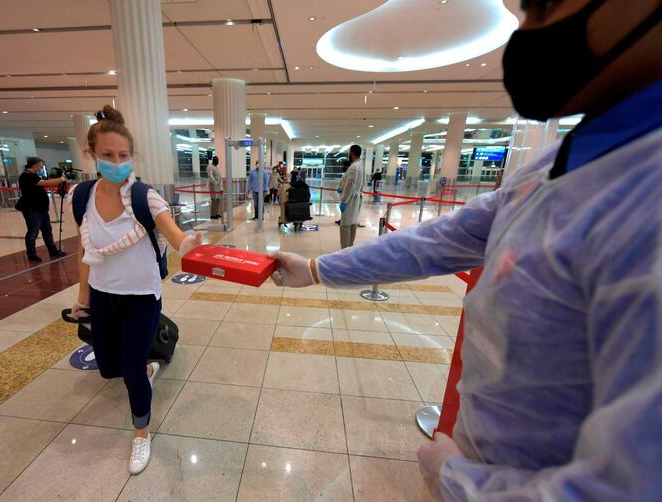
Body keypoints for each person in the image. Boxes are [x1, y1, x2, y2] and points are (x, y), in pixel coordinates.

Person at [269, 0, 662, 499]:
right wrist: (317, 268)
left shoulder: (647, 195)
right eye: (524, 11)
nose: (528, 31)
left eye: (546, 6)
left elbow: (634, 483)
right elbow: (438, 241)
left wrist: (461, 482)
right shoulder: (553, 165)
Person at [68, 105, 201, 474]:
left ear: (132, 156)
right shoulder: (81, 197)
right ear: (92, 154)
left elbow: (173, 235)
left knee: (129, 368)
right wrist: (83, 297)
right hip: (102, 294)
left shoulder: (146, 196)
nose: (116, 162)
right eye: (108, 155)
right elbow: (84, 250)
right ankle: (145, 370)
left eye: (123, 155)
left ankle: (141, 434)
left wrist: (187, 244)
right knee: (109, 368)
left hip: (141, 297)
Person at [16, 157, 67, 262]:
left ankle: (53, 251)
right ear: (34, 165)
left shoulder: (33, 175)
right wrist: (61, 179)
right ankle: (31, 254)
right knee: (33, 231)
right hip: (32, 209)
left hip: (41, 209)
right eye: (40, 166)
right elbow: (46, 183)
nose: (41, 168)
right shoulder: (26, 176)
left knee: (47, 230)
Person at [337, 145, 364, 248]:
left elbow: (350, 186)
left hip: (350, 200)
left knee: (345, 226)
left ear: (352, 153)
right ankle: (350, 247)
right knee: (353, 224)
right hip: (357, 199)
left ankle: (345, 250)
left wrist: (344, 201)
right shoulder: (360, 165)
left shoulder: (353, 167)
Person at [335, 159, 351, 226]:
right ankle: (342, 219)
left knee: (346, 209)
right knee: (344, 210)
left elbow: (346, 185)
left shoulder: (348, 175)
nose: (343, 167)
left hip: (346, 195)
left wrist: (340, 188)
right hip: (343, 194)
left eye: (344, 166)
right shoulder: (345, 174)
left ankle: (344, 221)